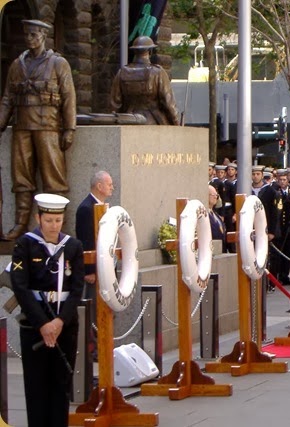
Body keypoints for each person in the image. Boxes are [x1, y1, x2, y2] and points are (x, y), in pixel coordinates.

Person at [10, 193, 84, 426]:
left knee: (61, 385)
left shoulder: (73, 246)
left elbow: (77, 287)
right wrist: (43, 324)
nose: (54, 226)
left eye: (58, 220)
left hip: (64, 324)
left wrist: (60, 322)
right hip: (35, 324)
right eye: (49, 220)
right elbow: (20, 287)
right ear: (38, 218)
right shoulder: (26, 245)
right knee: (37, 386)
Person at [0, 20, 76, 240]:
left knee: (54, 179)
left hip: (48, 128)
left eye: (33, 34)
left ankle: (55, 227)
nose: (29, 38)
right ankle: (20, 225)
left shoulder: (58, 63)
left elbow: (69, 97)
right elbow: (8, 98)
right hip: (22, 127)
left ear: (43, 35)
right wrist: (2, 121)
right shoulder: (17, 64)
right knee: (21, 178)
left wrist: (69, 128)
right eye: (27, 35)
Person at [74, 170, 113, 360]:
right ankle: (93, 348)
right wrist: (89, 270)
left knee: (104, 307)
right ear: (99, 186)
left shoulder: (102, 206)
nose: (112, 187)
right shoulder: (86, 208)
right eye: (109, 184)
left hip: (105, 268)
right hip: (93, 270)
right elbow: (85, 241)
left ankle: (103, 344)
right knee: (93, 310)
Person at [110, 36, 180, 125]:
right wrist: (176, 123)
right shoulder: (158, 72)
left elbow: (115, 104)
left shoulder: (122, 72)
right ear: (150, 51)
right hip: (153, 121)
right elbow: (168, 102)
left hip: (128, 121)